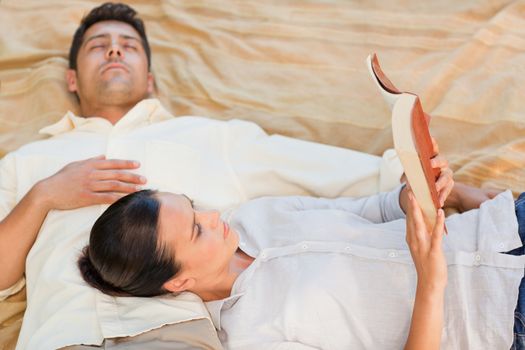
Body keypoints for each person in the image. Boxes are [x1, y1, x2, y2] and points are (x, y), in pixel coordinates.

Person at [0, 2, 498, 349]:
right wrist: (43, 196)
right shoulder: (30, 163)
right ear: (71, 79)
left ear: (150, 77)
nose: (113, 51)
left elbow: (324, 171)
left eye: (128, 45)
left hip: (177, 330)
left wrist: (446, 186)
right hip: (62, 335)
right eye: (97, 46)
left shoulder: (205, 136)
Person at [77, 172, 525, 349]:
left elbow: (374, 209)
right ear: (178, 282)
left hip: (503, 225)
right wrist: (431, 281)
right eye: (197, 229)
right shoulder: (254, 336)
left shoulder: (256, 216)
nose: (214, 217)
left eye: (195, 207)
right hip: (501, 315)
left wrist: (419, 191)